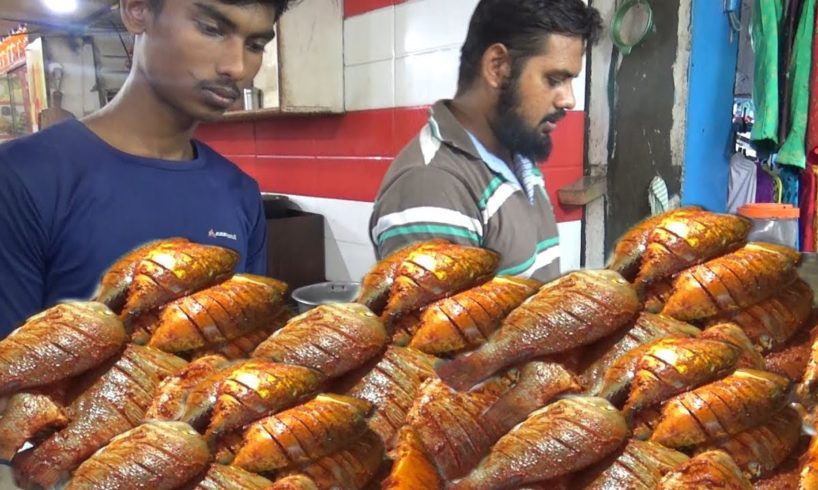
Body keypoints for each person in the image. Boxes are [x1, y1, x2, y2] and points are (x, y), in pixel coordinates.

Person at [0, 0, 297, 334]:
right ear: (137, 10)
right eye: (211, 29)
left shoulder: (239, 192)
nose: (237, 67)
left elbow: (245, 340)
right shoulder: (22, 178)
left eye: (254, 45)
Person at [369, 0, 602, 281]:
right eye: (554, 79)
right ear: (498, 67)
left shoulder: (516, 156)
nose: (569, 100)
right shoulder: (433, 186)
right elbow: (437, 325)